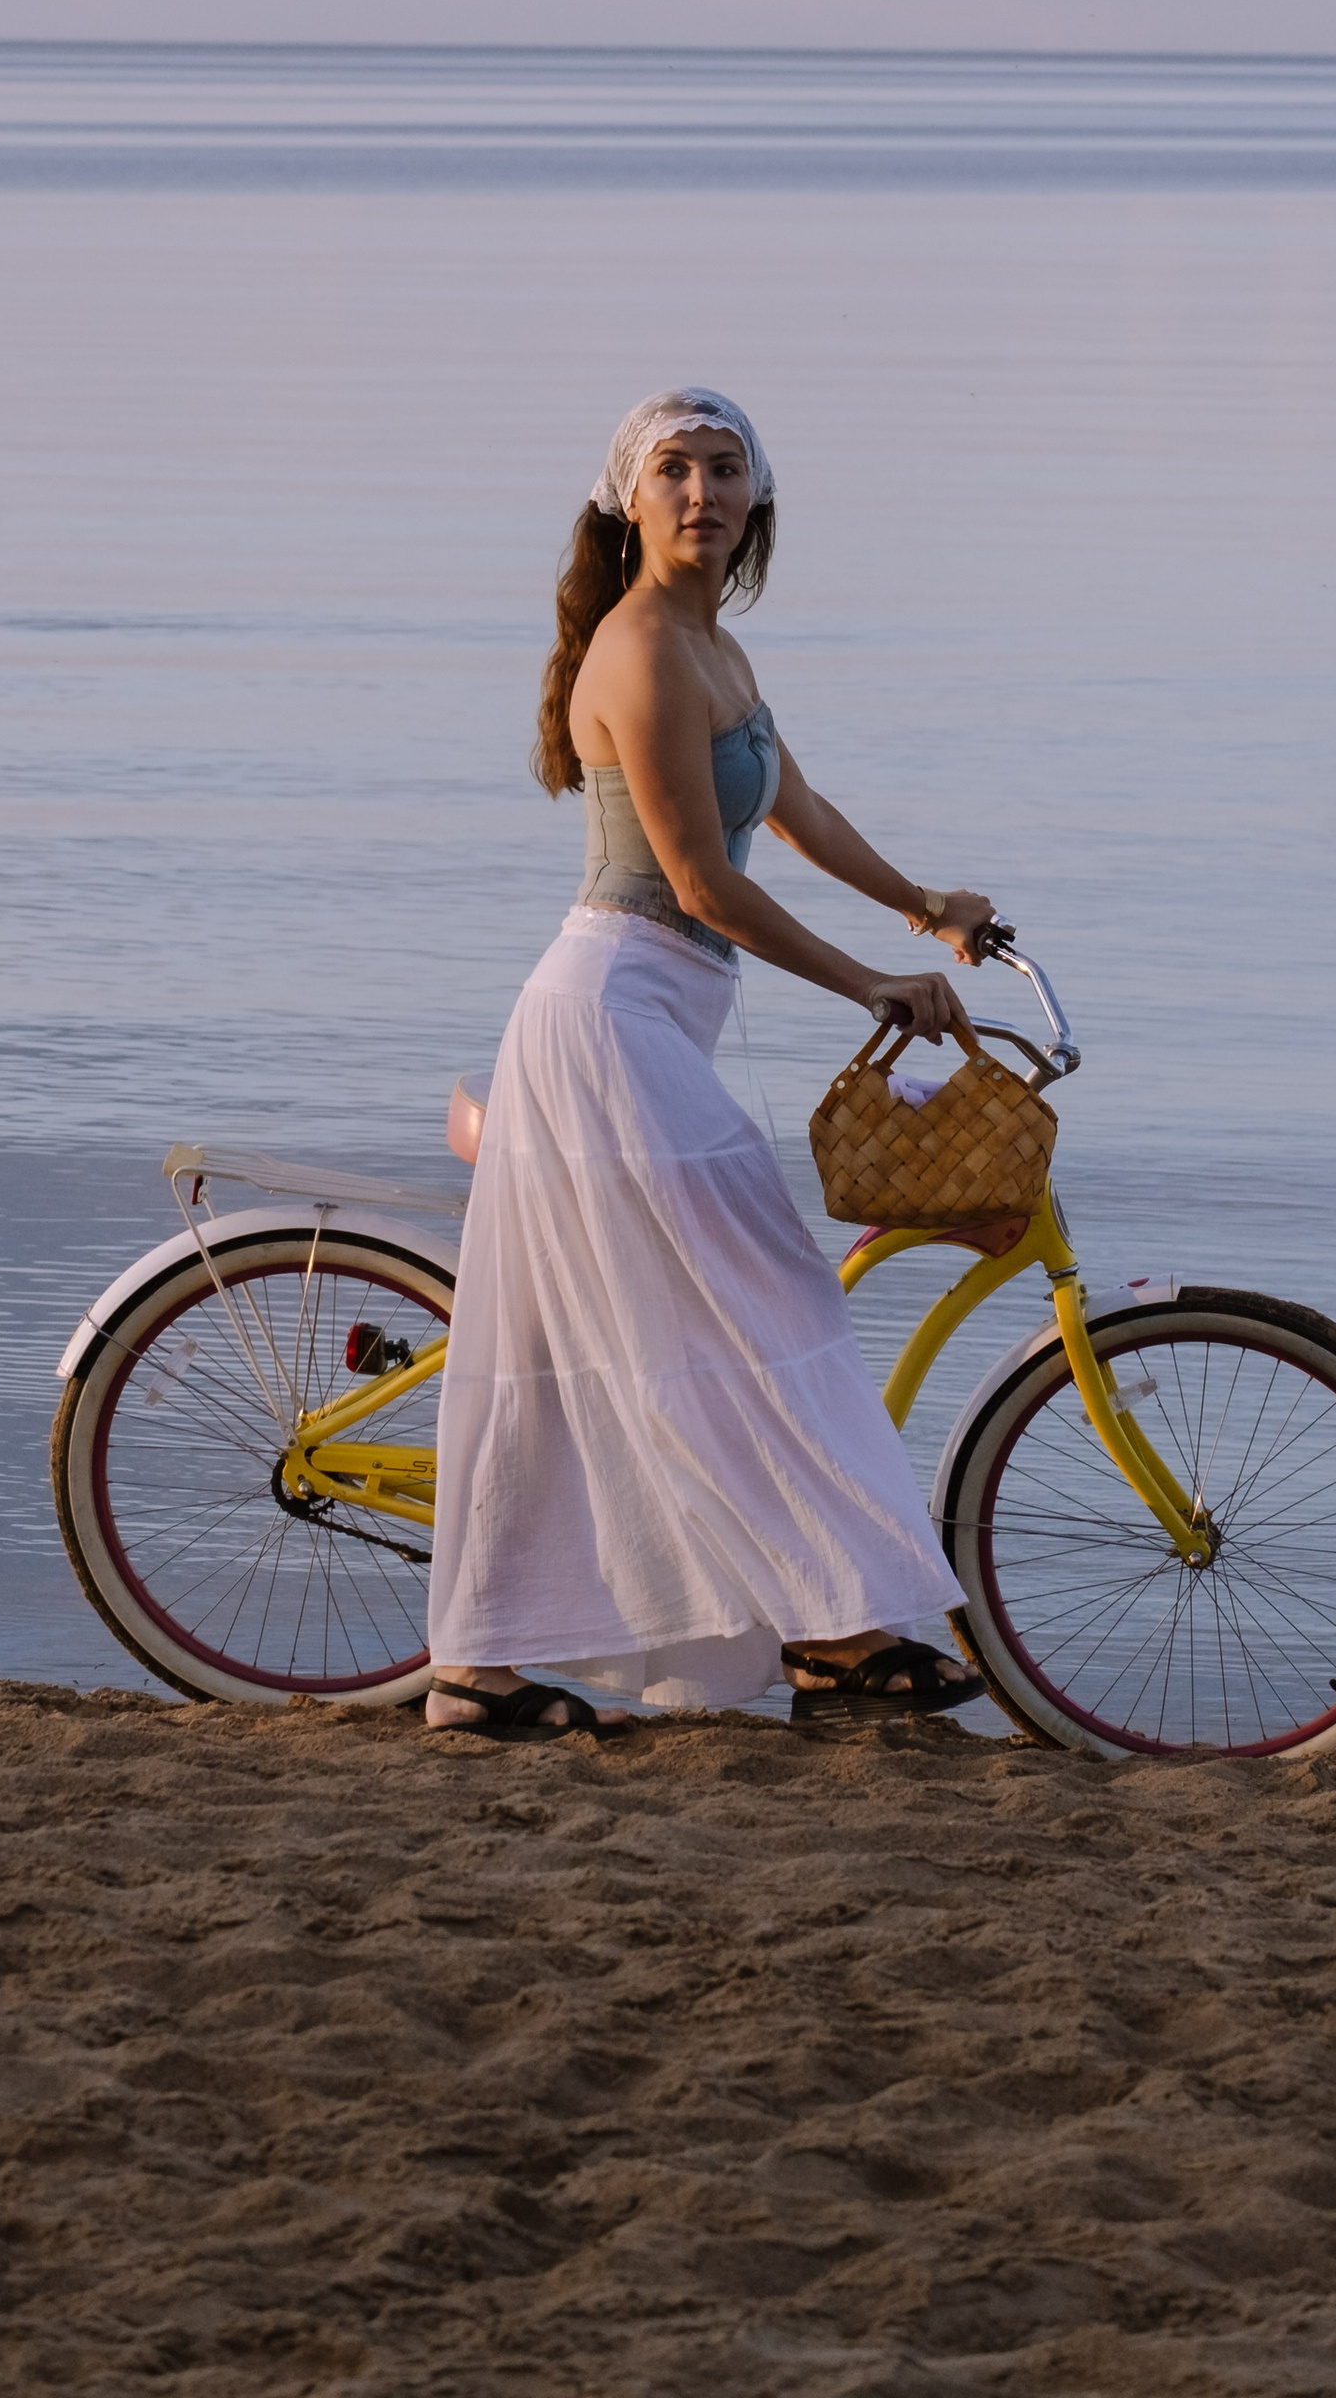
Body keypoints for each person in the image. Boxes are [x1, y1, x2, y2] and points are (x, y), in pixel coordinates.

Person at [425, 385, 999, 1738]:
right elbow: (698, 884)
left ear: (760, 502)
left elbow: (792, 809)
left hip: (658, 1019)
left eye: (726, 468)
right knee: (774, 1295)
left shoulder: (714, 650)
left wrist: (928, 911)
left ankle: (488, 1668)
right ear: (629, 500)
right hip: (612, 1017)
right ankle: (839, 1634)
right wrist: (870, 983)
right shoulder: (639, 651)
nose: (702, 492)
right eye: (674, 470)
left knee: (594, 1349)